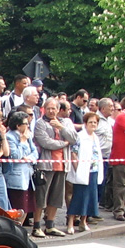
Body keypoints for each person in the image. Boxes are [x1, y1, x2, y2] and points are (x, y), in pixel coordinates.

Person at [31, 97, 77, 237]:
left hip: (62, 165)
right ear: (44, 109)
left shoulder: (66, 122)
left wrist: (61, 128)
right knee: (41, 197)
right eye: (49, 108)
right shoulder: (40, 123)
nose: (51, 111)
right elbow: (46, 142)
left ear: (58, 109)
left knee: (56, 197)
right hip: (46, 165)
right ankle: (36, 226)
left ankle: (50, 225)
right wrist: (64, 143)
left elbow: (74, 138)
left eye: (54, 108)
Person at [66, 111, 104, 234]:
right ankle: (70, 223)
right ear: (85, 123)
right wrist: (77, 169)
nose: (93, 124)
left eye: (95, 122)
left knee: (90, 198)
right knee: (78, 198)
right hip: (82, 172)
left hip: (94, 171)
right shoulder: (80, 136)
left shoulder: (95, 137)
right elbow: (74, 153)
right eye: (90, 122)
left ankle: (83, 221)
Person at [4, 109, 37, 223]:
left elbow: (35, 152)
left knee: (26, 207)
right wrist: (22, 142)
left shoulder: (28, 135)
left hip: (27, 176)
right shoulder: (10, 137)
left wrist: (28, 158)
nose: (28, 125)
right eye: (26, 123)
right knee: (18, 207)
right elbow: (15, 156)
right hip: (16, 177)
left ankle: (20, 228)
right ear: (18, 125)